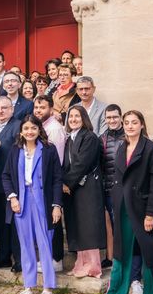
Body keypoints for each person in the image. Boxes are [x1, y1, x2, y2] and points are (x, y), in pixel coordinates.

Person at [99, 110, 153, 294]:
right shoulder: (121, 148)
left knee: (148, 257)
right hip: (123, 210)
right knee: (121, 256)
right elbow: (117, 180)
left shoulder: (151, 148)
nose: (129, 126)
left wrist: (151, 213)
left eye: (134, 122)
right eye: (126, 122)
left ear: (142, 125)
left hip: (144, 210)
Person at [2, 115, 63, 294]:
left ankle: (47, 288)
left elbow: (57, 179)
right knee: (26, 245)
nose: (29, 131)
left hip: (42, 201)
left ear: (39, 130)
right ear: (21, 131)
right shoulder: (15, 150)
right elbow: (6, 176)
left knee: (45, 243)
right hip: (21, 202)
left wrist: (56, 205)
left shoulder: (49, 150)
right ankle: (28, 287)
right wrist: (12, 197)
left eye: (33, 128)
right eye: (26, 128)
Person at [62, 105, 106, 278]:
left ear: (84, 118)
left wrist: (66, 182)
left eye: (77, 116)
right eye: (70, 117)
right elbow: (66, 163)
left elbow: (82, 163)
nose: (73, 119)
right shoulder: (69, 138)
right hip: (73, 187)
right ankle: (81, 263)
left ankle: (93, 266)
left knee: (89, 226)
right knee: (77, 225)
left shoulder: (90, 137)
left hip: (87, 187)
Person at [0, 96, 21, 271]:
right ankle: (3, 256)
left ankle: (19, 259)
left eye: (4, 108)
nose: (0, 111)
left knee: (14, 223)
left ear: (12, 109)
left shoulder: (17, 126)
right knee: (1, 222)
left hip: (13, 182)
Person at [33, 95, 66, 272]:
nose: (38, 110)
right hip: (39, 182)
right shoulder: (40, 127)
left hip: (51, 181)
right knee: (44, 221)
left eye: (42, 107)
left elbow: (58, 160)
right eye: (36, 107)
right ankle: (48, 256)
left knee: (54, 220)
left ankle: (56, 258)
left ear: (51, 109)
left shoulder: (54, 128)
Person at [99, 104, 125, 270]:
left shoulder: (128, 136)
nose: (112, 120)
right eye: (109, 118)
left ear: (120, 117)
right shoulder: (102, 138)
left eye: (115, 117)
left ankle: (125, 259)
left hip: (126, 189)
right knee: (113, 225)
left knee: (124, 225)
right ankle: (114, 257)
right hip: (108, 189)